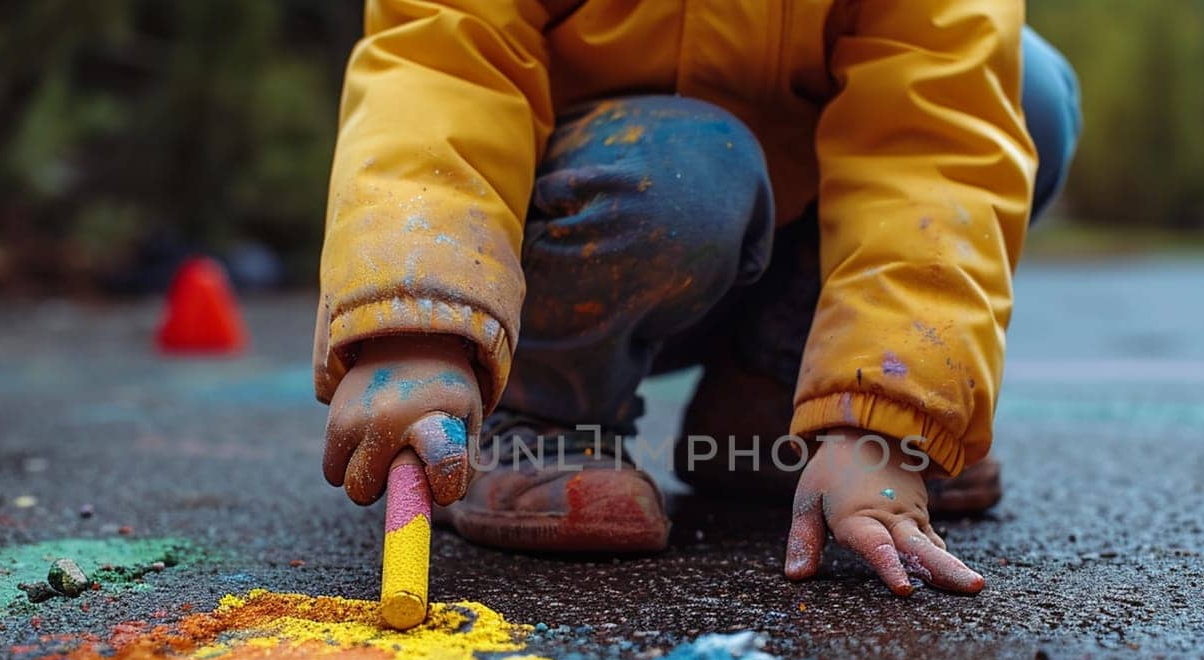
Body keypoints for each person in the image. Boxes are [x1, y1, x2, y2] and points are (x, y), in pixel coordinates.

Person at [316, 1, 1081, 596]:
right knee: (692, 172)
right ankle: (543, 409)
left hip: (760, 235)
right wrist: (421, 317)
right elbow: (443, 68)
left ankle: (775, 391)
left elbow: (934, 137)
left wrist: (880, 414)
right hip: (585, 226)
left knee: (1025, 91)